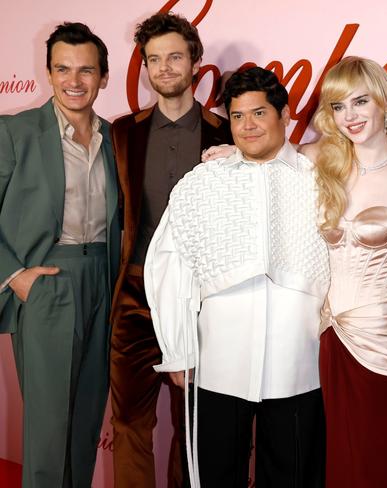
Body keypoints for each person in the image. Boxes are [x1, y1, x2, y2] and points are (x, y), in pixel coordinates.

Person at [144, 67, 329, 487]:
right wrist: (177, 349)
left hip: (298, 361)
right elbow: (170, 263)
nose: (248, 126)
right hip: (218, 359)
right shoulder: (204, 181)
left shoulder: (317, 179)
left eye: (259, 113)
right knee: (214, 473)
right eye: (238, 115)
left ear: (284, 114)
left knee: (293, 473)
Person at [295, 56, 387, 488]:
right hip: (329, 335)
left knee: (381, 459)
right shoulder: (314, 159)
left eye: (360, 102)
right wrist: (230, 154)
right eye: (338, 106)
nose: (349, 116)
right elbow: (261, 157)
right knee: (335, 459)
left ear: (385, 103)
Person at [109, 12, 232, 488]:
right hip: (135, 295)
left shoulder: (228, 133)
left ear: (196, 62)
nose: (163, 68)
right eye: (153, 59)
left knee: (194, 429)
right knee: (129, 424)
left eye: (174, 57)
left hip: (202, 300)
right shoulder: (124, 132)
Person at [0, 22, 120, 488]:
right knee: (49, 428)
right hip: (47, 279)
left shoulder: (116, 139)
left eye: (86, 70)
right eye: (62, 68)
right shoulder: (16, 132)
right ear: (49, 74)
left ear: (103, 77)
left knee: (87, 418)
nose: (74, 80)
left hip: (102, 280)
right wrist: (15, 276)